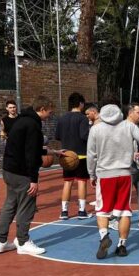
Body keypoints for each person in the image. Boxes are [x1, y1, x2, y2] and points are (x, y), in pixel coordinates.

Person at [86, 104, 139, 259]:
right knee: (124, 211)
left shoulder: (96, 129)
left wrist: (91, 175)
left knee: (102, 210)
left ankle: (104, 236)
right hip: (125, 174)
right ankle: (122, 245)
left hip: (105, 174)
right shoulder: (128, 126)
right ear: (120, 113)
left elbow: (91, 155)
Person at [0, 96, 57, 254]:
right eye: (49, 112)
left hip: (8, 169)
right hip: (21, 172)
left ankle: (1, 241)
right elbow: (31, 154)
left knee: (10, 205)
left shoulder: (22, 120)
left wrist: (53, 151)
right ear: (42, 109)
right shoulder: (32, 125)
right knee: (27, 207)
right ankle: (23, 242)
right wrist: (33, 180)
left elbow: (30, 148)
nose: (50, 115)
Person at [55, 92, 91, 220]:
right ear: (80, 103)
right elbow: (84, 136)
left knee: (67, 182)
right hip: (80, 155)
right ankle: (81, 211)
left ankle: (64, 211)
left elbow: (57, 136)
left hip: (66, 155)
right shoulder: (82, 118)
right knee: (81, 182)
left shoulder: (62, 118)